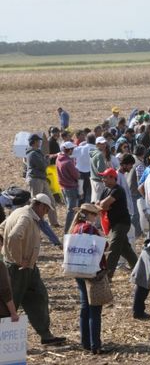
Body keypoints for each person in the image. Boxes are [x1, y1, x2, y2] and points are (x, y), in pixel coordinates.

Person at [0, 194, 66, 345]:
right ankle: (4, 342)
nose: (46, 214)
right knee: (10, 305)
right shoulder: (26, 218)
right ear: (41, 206)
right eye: (47, 210)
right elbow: (15, 235)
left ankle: (46, 335)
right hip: (18, 269)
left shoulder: (19, 211)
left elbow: (2, 229)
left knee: (39, 296)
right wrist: (18, 258)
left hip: (29, 268)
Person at [69, 203, 109, 355]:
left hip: (77, 269)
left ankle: (85, 342)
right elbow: (104, 246)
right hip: (92, 271)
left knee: (85, 307)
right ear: (89, 215)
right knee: (95, 309)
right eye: (95, 214)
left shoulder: (75, 227)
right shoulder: (90, 229)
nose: (97, 216)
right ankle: (95, 345)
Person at [97, 168, 137, 280]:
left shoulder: (118, 190)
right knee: (125, 249)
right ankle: (140, 269)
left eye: (105, 177)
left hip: (121, 223)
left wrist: (103, 204)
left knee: (113, 247)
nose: (103, 179)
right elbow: (99, 204)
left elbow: (103, 204)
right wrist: (103, 204)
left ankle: (107, 275)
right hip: (112, 223)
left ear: (111, 178)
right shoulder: (105, 190)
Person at [25, 133, 60, 227]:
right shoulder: (32, 154)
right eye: (38, 141)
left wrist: (45, 158)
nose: (40, 142)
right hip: (35, 179)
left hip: (41, 179)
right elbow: (43, 166)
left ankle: (54, 222)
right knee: (36, 203)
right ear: (34, 142)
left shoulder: (37, 153)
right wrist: (47, 159)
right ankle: (37, 223)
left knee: (50, 200)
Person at [56, 141, 80, 233]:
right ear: (68, 150)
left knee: (69, 209)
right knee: (72, 211)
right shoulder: (68, 162)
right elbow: (76, 176)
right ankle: (68, 231)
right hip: (71, 188)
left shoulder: (59, 158)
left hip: (63, 187)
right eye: (72, 149)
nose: (73, 150)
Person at [74, 132, 96, 204]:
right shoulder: (96, 149)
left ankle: (80, 208)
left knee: (81, 192)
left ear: (87, 140)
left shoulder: (80, 148)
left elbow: (70, 154)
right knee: (91, 192)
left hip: (80, 173)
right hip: (91, 174)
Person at [89, 136, 109, 203]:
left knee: (94, 200)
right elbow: (101, 170)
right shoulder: (100, 154)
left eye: (105, 143)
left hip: (93, 179)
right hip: (99, 181)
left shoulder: (93, 152)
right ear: (97, 144)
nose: (104, 145)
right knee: (99, 202)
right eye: (102, 144)